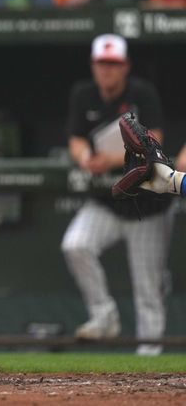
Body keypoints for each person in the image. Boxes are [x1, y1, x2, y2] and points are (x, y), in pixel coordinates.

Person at [61, 34, 174, 356]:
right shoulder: (83, 94)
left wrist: (109, 159)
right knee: (76, 245)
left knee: (147, 287)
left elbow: (156, 140)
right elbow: (76, 139)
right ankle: (103, 314)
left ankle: (149, 358)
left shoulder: (141, 93)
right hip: (107, 201)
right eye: (102, 64)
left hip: (147, 206)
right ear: (94, 65)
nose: (107, 70)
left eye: (113, 64)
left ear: (125, 67)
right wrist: (84, 158)